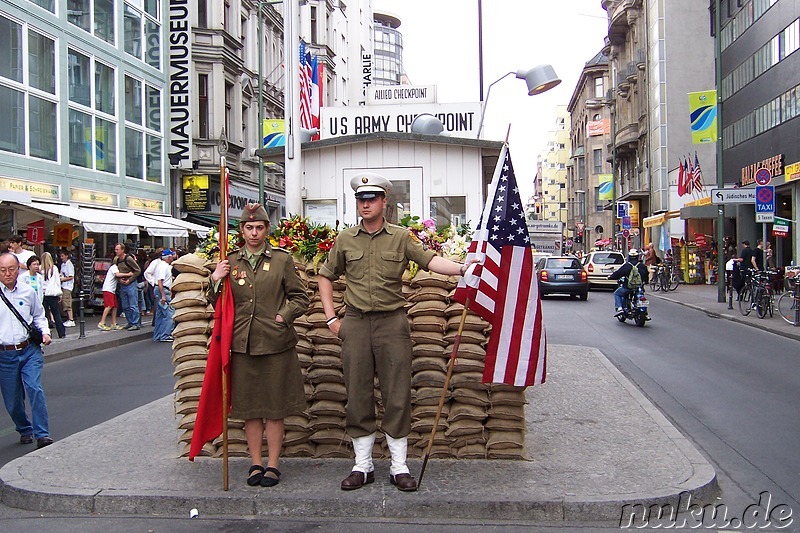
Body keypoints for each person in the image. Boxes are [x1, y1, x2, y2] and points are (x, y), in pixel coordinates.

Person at [317, 173, 473, 493]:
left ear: (384, 202)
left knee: (397, 394)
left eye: (371, 199)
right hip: (357, 324)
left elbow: (429, 262)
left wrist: (461, 269)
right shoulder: (346, 239)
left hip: (392, 323)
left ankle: (398, 466)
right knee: (358, 393)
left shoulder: (401, 237)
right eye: (361, 199)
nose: (365, 204)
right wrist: (331, 319)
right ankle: (363, 465)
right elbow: (325, 275)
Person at [210, 203, 309, 488]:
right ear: (241, 230)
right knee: (251, 409)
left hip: (276, 342)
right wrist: (215, 278)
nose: (254, 233)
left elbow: (300, 297)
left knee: (275, 408)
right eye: (249, 228)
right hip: (243, 344)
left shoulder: (281, 260)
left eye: (259, 227)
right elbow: (215, 302)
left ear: (267, 229)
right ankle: (255, 462)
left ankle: (274, 464)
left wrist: (284, 316)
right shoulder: (230, 262)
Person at [0, 252, 54, 449]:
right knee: (12, 401)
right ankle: (24, 428)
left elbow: (39, 315)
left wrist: (45, 333)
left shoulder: (27, 291)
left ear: (18, 269)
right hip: (4, 355)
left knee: (34, 388)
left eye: (11, 269)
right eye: (3, 270)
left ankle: (42, 434)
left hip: (29, 350)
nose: (7, 274)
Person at [608, 248, 649, 317]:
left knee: (617, 293)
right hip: (639, 287)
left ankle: (620, 308)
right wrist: (646, 282)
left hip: (628, 287)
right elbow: (646, 275)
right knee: (642, 296)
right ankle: (645, 312)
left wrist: (611, 277)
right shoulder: (642, 266)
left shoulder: (627, 265)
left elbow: (619, 273)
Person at [112, 243, 141, 330]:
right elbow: (115, 272)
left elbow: (138, 270)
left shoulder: (128, 259)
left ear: (122, 250)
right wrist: (119, 280)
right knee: (125, 305)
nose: (116, 251)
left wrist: (130, 279)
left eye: (117, 249)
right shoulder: (116, 260)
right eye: (115, 249)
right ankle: (130, 322)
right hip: (122, 283)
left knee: (133, 304)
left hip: (131, 283)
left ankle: (136, 323)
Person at [40, 252, 65, 339]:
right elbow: (57, 282)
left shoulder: (39, 269)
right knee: (56, 314)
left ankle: (46, 334)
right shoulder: (54, 269)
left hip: (42, 294)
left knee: (45, 315)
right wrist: (60, 294)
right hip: (52, 294)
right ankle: (61, 333)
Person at [153, 249, 176, 342]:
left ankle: (157, 335)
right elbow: (160, 281)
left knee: (160, 314)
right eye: (172, 256)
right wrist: (163, 295)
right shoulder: (164, 266)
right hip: (163, 290)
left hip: (159, 289)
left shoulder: (160, 265)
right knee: (170, 313)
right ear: (169, 257)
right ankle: (165, 335)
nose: (172, 258)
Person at [97, 263, 122, 331]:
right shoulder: (114, 267)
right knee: (109, 305)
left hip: (112, 290)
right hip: (108, 289)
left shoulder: (115, 268)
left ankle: (113, 323)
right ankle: (102, 322)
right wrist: (129, 274)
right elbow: (117, 275)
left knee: (115, 306)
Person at [58, 250, 76, 327]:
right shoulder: (63, 265)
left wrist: (63, 279)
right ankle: (67, 318)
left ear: (66, 256)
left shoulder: (69, 265)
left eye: (62, 256)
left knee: (67, 302)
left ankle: (71, 319)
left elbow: (71, 276)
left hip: (67, 286)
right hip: (63, 285)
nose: (61, 258)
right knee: (63, 302)